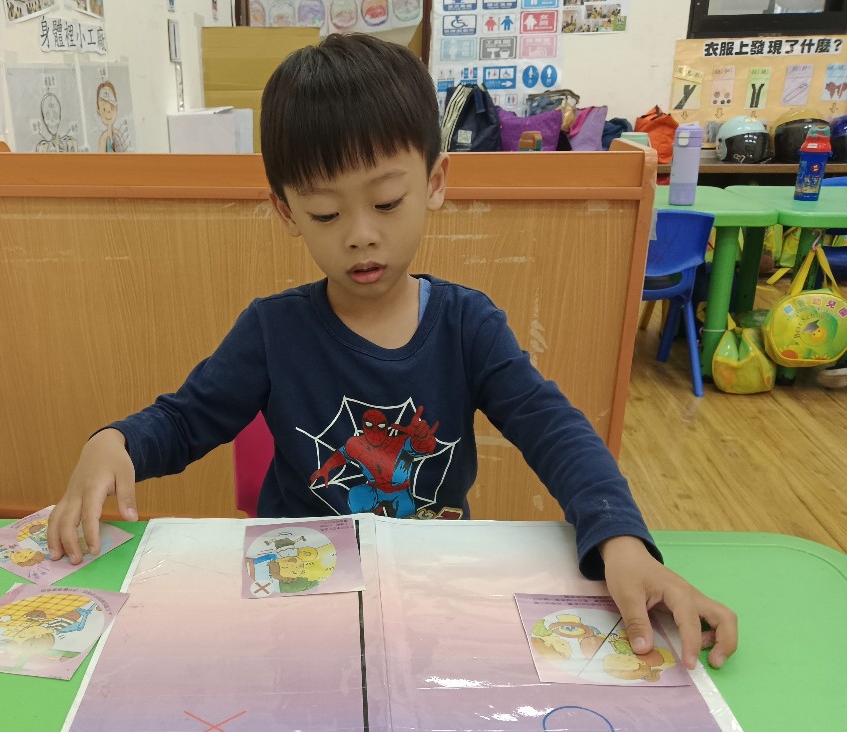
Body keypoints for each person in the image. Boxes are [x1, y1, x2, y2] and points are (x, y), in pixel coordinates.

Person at [47, 34, 737, 671]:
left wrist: (621, 541)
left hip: (433, 596)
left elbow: (555, 430)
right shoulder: (271, 332)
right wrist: (116, 442)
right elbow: (186, 419)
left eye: (385, 202)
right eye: (325, 214)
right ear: (286, 211)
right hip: (300, 602)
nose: (359, 235)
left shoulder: (468, 326)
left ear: (434, 182)